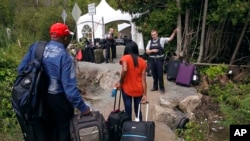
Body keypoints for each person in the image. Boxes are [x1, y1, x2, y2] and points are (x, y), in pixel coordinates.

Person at [17, 22, 90, 141]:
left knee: (46, 131)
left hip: (37, 99)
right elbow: (70, 91)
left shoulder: (36, 47)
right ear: (65, 38)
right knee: (63, 132)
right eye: (68, 38)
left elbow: (21, 69)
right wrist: (84, 108)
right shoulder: (66, 58)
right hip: (58, 101)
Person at [114, 41, 147, 121]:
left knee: (128, 109)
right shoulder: (143, 61)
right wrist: (145, 94)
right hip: (138, 89)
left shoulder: (125, 57)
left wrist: (120, 82)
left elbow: (125, 69)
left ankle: (128, 128)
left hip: (127, 88)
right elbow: (144, 79)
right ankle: (139, 128)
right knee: (138, 111)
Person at [146, 28, 178, 94]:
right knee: (154, 75)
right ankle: (155, 87)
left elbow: (170, 39)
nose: (153, 36)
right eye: (152, 35)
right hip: (152, 60)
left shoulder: (162, 40)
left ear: (157, 34)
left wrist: (174, 32)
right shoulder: (150, 42)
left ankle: (162, 88)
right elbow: (147, 51)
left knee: (160, 74)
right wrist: (152, 51)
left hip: (159, 60)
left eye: (154, 34)